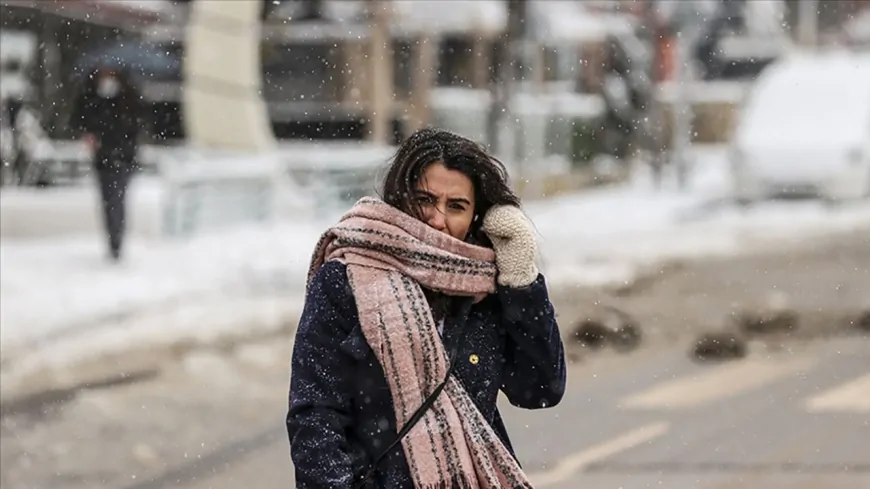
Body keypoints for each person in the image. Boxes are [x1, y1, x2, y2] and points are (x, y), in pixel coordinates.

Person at [287, 128, 567, 488]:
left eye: (456, 206)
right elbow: (315, 416)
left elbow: (541, 389)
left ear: (477, 217)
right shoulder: (346, 278)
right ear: (399, 199)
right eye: (424, 199)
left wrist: (521, 279)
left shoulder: (485, 289)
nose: (438, 219)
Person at [71, 67, 144, 261]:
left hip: (123, 158)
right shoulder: (92, 99)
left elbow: (136, 126)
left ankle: (116, 240)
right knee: (108, 200)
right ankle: (113, 239)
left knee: (116, 199)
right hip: (104, 159)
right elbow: (81, 121)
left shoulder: (128, 99)